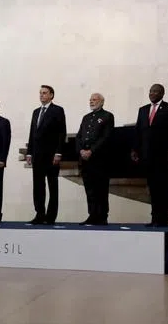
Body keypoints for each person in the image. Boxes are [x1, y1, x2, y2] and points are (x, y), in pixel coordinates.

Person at [131, 83, 168, 227]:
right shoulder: (143, 110)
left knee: (164, 187)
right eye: (151, 91)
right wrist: (135, 149)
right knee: (153, 188)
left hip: (164, 155)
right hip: (147, 155)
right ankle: (155, 218)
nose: (152, 93)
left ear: (162, 93)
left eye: (155, 91)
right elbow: (138, 131)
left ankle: (165, 218)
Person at [25, 84, 67, 225]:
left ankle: (51, 216)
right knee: (38, 185)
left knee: (52, 185)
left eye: (44, 93)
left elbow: (62, 133)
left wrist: (58, 153)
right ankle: (39, 213)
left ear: (51, 95)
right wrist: (29, 152)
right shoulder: (36, 112)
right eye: (40, 93)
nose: (41, 95)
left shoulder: (58, 110)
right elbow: (32, 133)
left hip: (51, 155)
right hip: (37, 155)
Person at [75, 92, 114, 225]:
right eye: (90, 100)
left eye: (95, 100)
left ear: (102, 102)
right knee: (90, 189)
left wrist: (91, 151)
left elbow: (106, 137)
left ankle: (102, 216)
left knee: (101, 189)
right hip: (86, 160)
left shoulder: (107, 116)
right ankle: (92, 215)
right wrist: (80, 150)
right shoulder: (86, 118)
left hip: (100, 159)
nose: (91, 102)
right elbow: (79, 136)